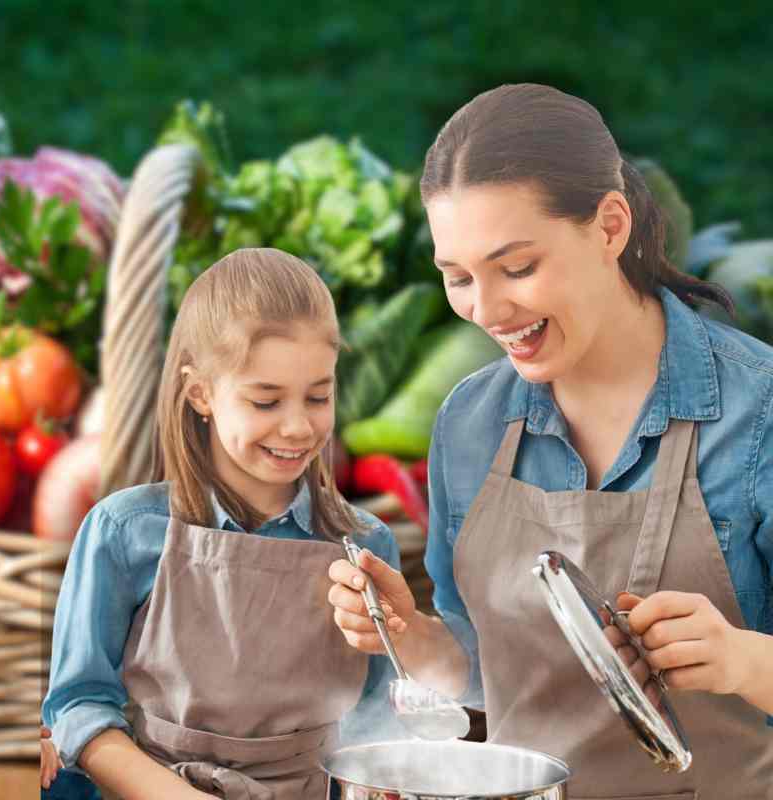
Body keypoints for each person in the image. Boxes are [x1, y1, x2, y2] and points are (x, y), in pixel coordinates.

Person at [328, 83, 773, 798]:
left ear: (609, 226)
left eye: (517, 268)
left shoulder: (759, 414)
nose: (487, 310)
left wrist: (745, 661)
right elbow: (479, 673)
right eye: (458, 278)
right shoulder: (470, 424)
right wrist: (406, 632)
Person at [42, 248, 404, 799]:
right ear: (200, 394)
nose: (298, 427)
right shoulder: (123, 530)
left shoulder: (365, 545)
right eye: (265, 401)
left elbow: (379, 724)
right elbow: (77, 706)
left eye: (319, 396)